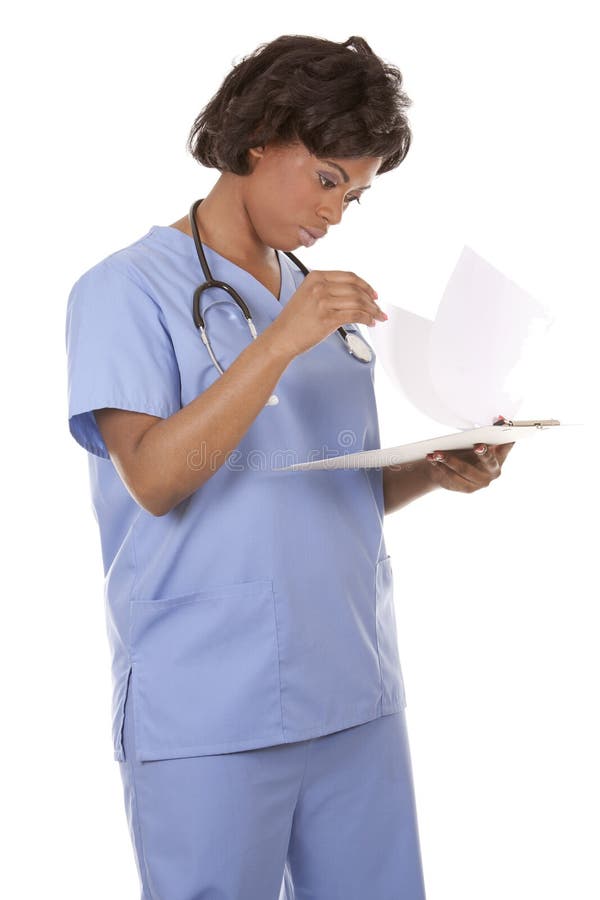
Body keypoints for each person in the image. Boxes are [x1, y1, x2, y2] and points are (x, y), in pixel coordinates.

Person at [65, 33, 513, 900]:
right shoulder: (125, 291)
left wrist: (435, 468)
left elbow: (313, 488)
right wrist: (278, 341)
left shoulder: (314, 301)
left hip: (353, 688)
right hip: (211, 705)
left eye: (357, 192)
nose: (336, 213)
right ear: (258, 139)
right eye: (326, 178)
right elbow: (153, 479)